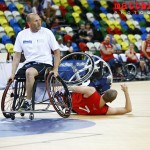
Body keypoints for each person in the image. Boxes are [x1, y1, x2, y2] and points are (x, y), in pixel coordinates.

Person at [9, 13, 60, 110]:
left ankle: (28, 102)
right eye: (36, 21)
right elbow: (17, 55)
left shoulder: (47, 33)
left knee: (29, 72)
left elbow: (57, 52)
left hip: (44, 64)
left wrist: (55, 69)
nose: (39, 22)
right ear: (29, 23)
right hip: (29, 64)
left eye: (40, 20)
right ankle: (20, 99)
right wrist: (12, 73)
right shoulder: (21, 35)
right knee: (19, 75)